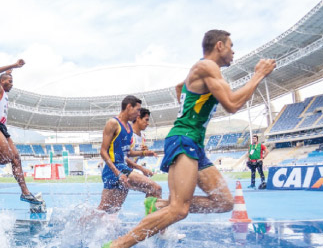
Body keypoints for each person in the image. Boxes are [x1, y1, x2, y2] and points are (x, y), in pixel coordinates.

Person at [106, 30, 276, 247]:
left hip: (193, 141)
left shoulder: (201, 69)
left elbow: (180, 87)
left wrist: (187, 111)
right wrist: (259, 75)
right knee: (179, 210)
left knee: (224, 202)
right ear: (219, 46)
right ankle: (116, 245)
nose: (234, 51)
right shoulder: (207, 67)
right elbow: (232, 104)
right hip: (183, 139)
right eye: (231, 46)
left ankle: (159, 206)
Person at [0, 59, 43, 204]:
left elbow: (4, 75)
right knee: (5, 158)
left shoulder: (4, 92)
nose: (12, 84)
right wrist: (13, 65)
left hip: (3, 129)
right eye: (10, 82)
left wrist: (10, 72)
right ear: (2, 82)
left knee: (16, 158)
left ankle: (25, 193)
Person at [95, 96, 165, 215]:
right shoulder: (113, 123)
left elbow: (128, 153)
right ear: (128, 107)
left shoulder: (128, 128)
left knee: (108, 210)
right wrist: (119, 173)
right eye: (137, 110)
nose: (138, 114)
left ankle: (79, 225)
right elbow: (103, 151)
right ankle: (154, 227)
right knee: (155, 188)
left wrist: (144, 153)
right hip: (115, 169)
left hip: (122, 169)